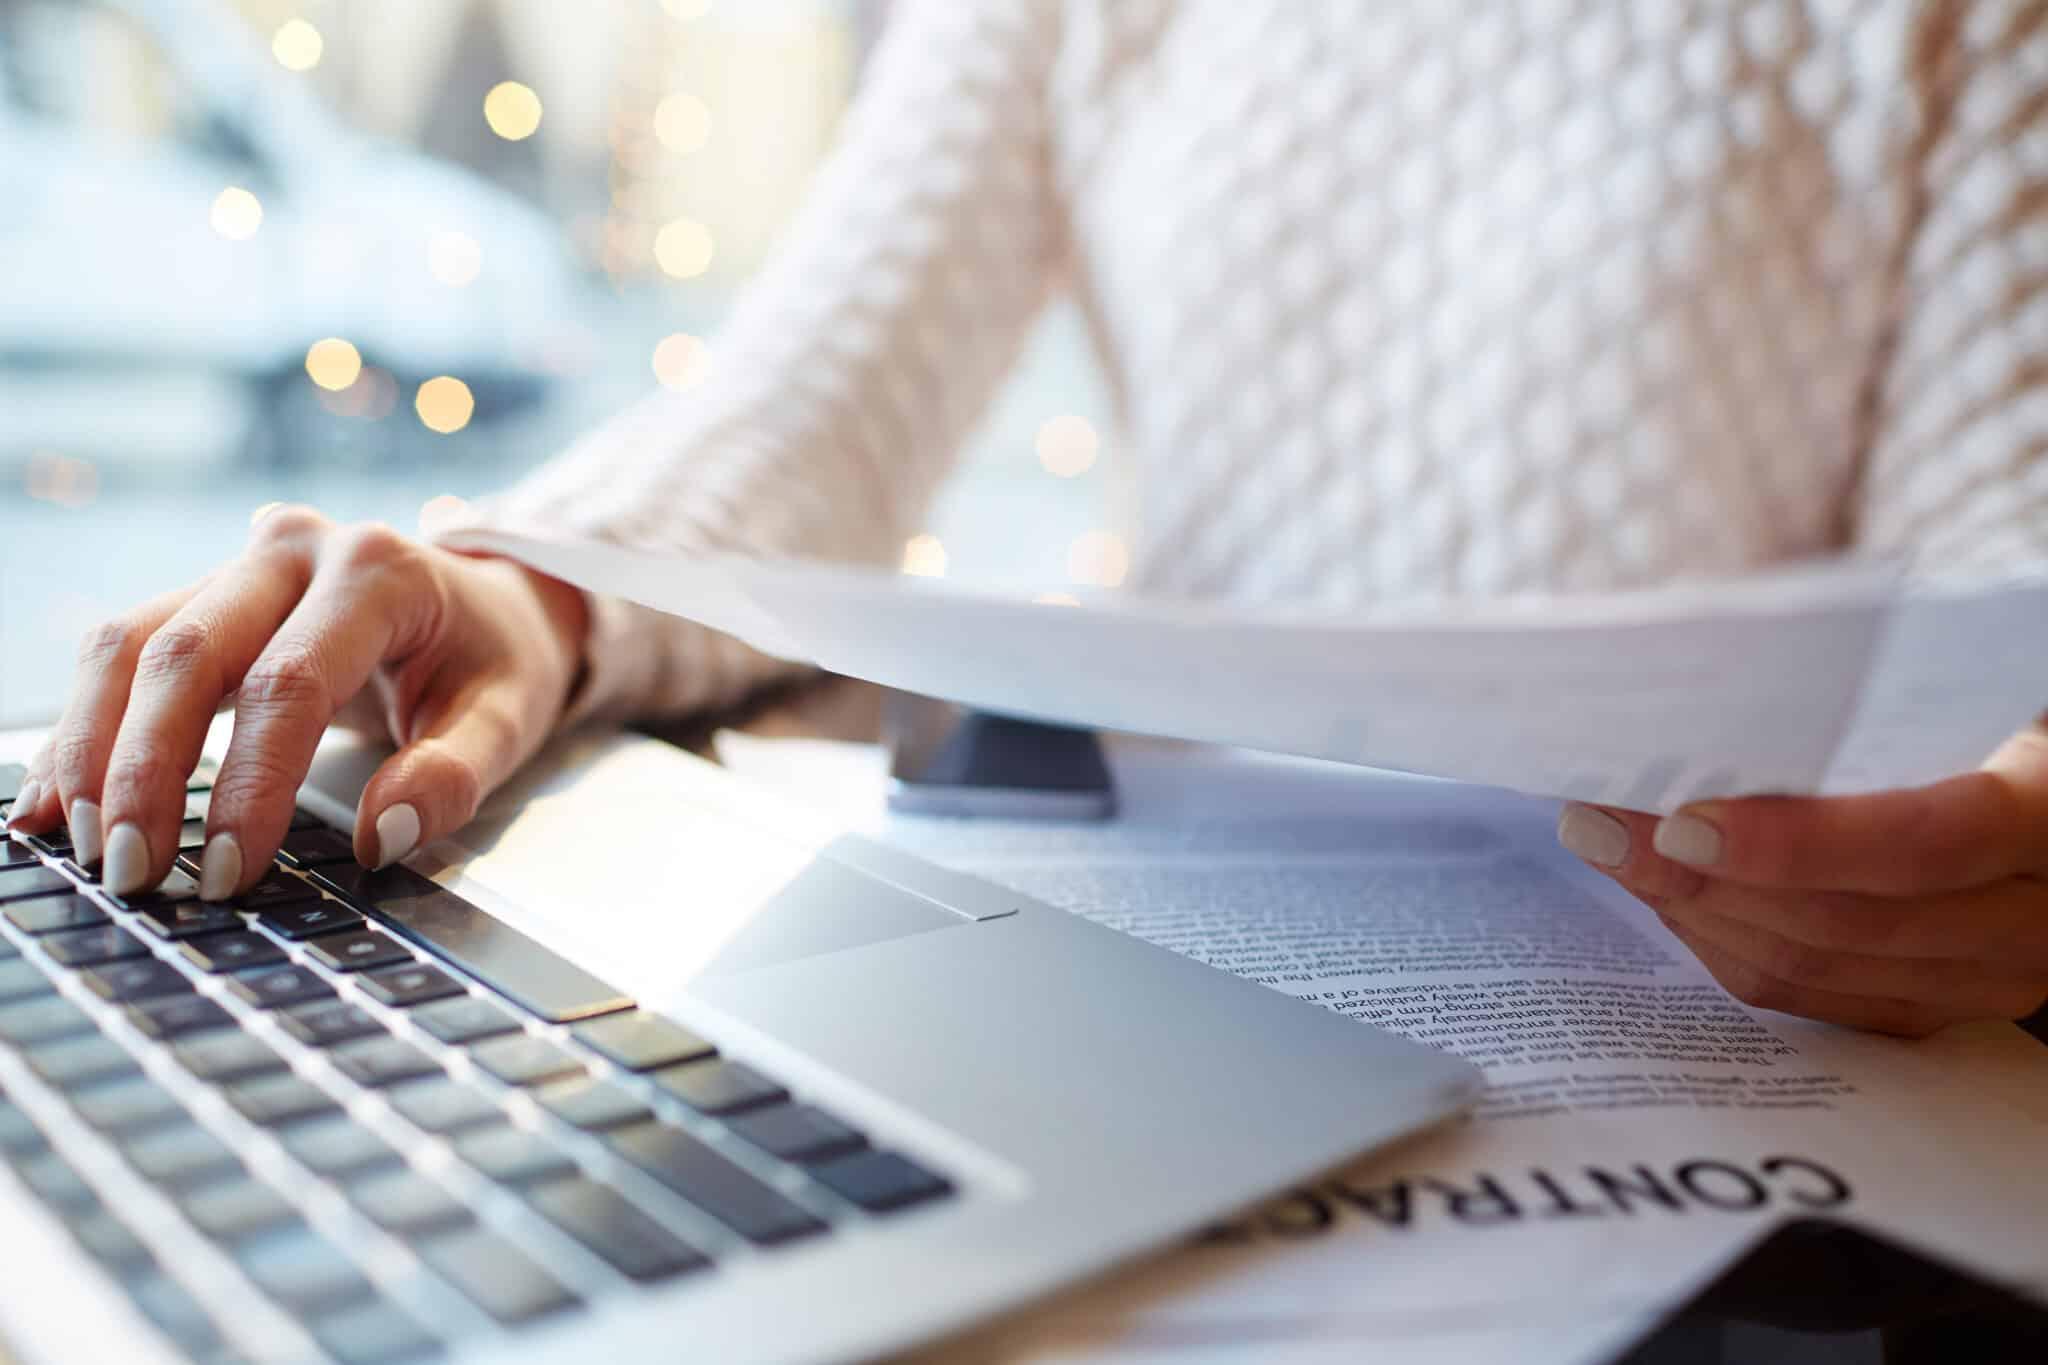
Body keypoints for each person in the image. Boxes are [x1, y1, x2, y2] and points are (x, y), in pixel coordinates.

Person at [9, 1, 2044, 1034]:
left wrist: (2017, 832)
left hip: (1736, 996)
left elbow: (2001, 594)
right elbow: (818, 407)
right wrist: (527, 592)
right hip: (1210, 972)